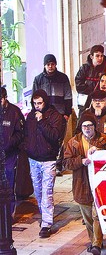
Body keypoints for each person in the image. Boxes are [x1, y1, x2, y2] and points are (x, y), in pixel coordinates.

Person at [63, 112, 106, 255]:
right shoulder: (73, 142)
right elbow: (66, 163)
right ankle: (95, 241)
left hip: (100, 184)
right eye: (84, 126)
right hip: (82, 184)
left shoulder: (105, 139)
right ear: (81, 127)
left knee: (97, 215)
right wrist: (81, 161)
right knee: (88, 217)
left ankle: (96, 244)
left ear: (94, 126)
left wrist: (100, 152)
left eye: (90, 125)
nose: (87, 128)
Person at [24, 89, 66, 238]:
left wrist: (42, 121)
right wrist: (27, 148)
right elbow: (27, 134)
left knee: (47, 192)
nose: (37, 106)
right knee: (38, 191)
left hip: (48, 160)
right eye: (35, 103)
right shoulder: (30, 116)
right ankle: (44, 216)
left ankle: (46, 224)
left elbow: (55, 136)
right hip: (33, 159)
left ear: (45, 102)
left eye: (40, 103)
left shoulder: (55, 116)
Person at [0, 86, 24, 214]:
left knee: (9, 184)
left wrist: (9, 143)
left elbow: (21, 133)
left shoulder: (14, 112)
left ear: (5, 98)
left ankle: (9, 213)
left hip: (10, 155)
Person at [32, 54, 73, 119]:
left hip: (60, 114)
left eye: (52, 64)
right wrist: (36, 112)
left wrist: (67, 113)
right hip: (43, 115)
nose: (50, 66)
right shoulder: (38, 79)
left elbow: (68, 96)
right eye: (48, 64)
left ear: (55, 65)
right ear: (44, 65)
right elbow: (34, 98)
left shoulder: (63, 78)